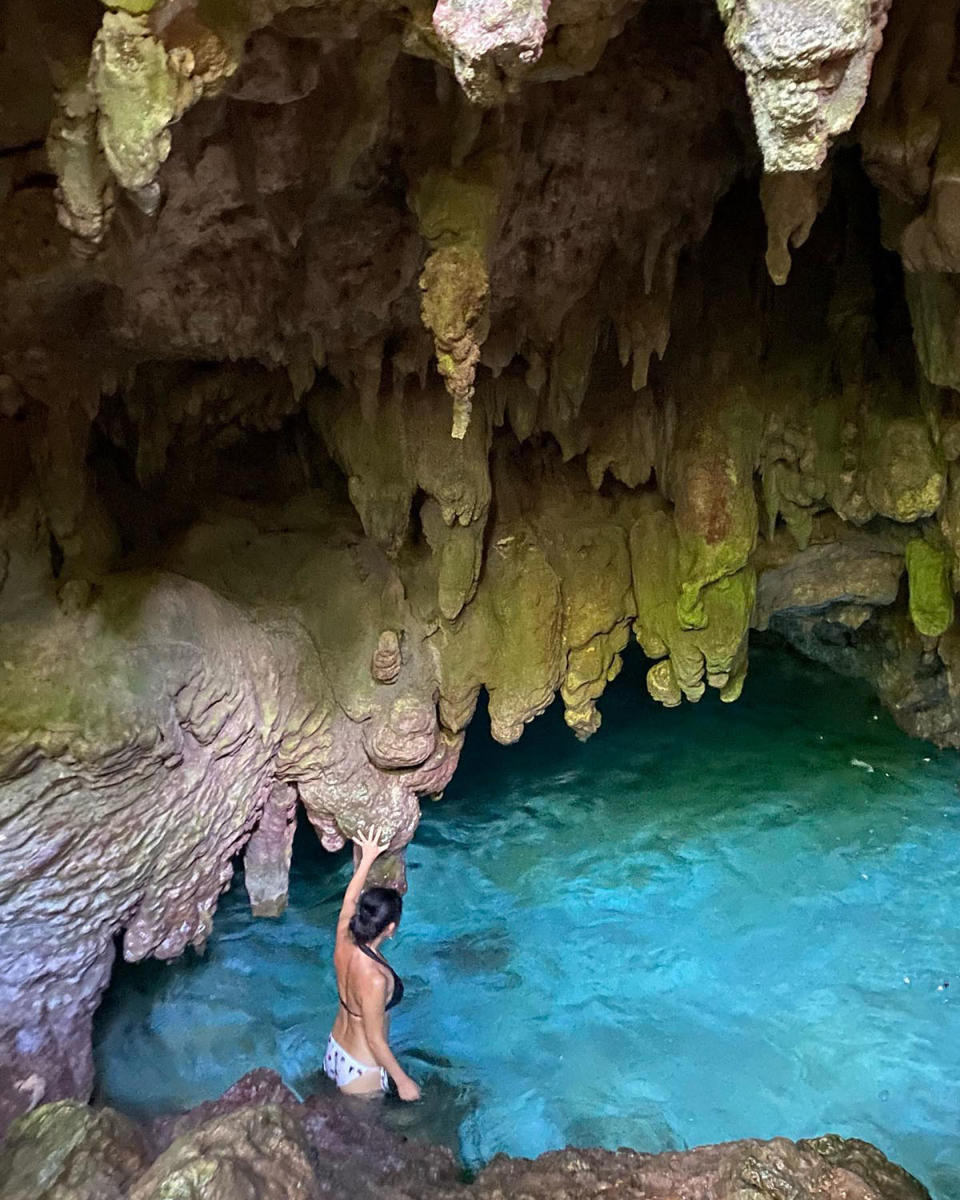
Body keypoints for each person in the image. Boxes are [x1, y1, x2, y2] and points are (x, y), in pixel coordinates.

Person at [323, 823, 421, 1101]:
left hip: (335, 1049)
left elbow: (349, 898)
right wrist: (403, 1082)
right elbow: (375, 1039)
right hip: (361, 1069)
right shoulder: (375, 978)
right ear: (390, 928)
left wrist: (367, 857)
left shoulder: (344, 936)